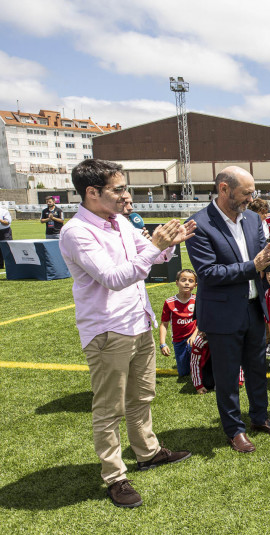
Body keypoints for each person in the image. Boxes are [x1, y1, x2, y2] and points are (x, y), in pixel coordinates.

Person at [59, 158, 193, 508]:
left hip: (137, 322)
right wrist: (154, 247)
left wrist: (168, 243)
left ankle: (147, 452)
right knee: (109, 408)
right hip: (107, 330)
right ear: (91, 193)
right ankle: (115, 475)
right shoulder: (76, 231)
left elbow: (154, 259)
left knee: (142, 396)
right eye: (118, 189)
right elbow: (115, 277)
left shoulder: (118, 221)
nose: (125, 195)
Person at [185, 166, 270, 453]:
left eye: (252, 192)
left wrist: (269, 266)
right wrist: (252, 266)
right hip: (222, 313)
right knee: (227, 376)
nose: (251, 198)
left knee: (256, 368)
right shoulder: (199, 224)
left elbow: (261, 256)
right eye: (246, 193)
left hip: (255, 307)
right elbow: (208, 273)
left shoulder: (253, 219)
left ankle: (259, 417)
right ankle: (234, 429)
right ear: (224, 189)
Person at [159, 268, 199, 377]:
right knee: (183, 373)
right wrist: (162, 344)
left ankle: (197, 367)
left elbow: (202, 321)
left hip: (194, 337)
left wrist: (194, 335)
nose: (187, 283)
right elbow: (164, 324)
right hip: (178, 341)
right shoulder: (169, 302)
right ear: (177, 283)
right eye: (183, 280)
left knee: (195, 368)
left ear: (195, 285)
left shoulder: (197, 300)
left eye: (191, 281)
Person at [0, 204, 12, 269]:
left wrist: (0, 220)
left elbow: (7, 222)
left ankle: (10, 265)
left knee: (7, 249)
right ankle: (0, 266)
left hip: (5, 232)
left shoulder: (4, 211)